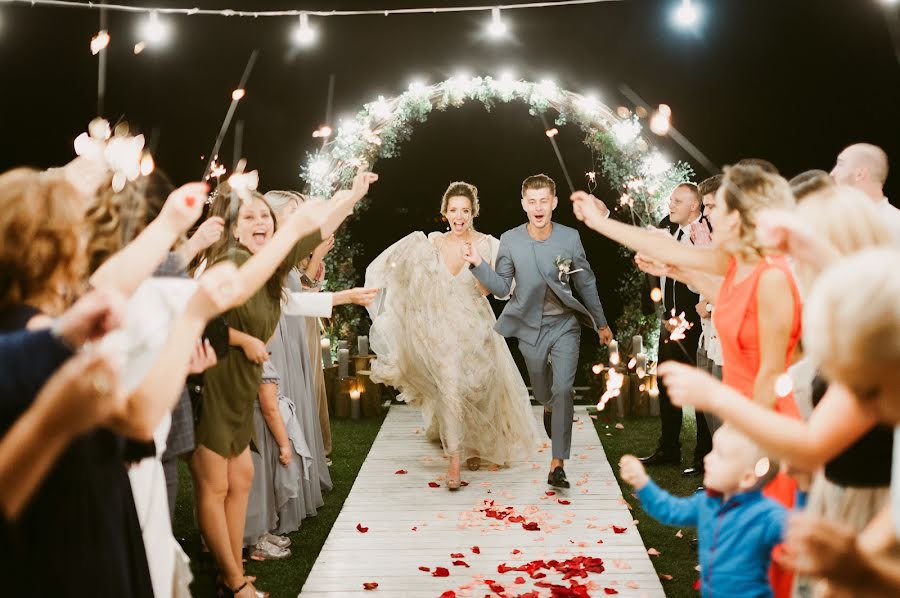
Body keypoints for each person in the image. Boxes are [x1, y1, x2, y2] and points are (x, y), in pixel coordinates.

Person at [572, 163, 802, 597]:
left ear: (743, 216)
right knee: (734, 560)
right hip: (740, 414)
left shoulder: (773, 276)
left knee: (765, 568)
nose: (713, 220)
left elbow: (773, 372)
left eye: (721, 211)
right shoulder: (736, 261)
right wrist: (604, 224)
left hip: (764, 420)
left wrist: (735, 424)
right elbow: (681, 260)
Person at [191, 173, 377, 597]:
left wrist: (354, 195)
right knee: (217, 483)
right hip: (215, 385)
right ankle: (234, 581)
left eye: (266, 217)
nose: (261, 222)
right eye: (251, 216)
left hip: (241, 385)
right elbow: (200, 319)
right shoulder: (231, 262)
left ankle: (229, 568)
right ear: (234, 226)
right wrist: (244, 339)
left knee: (239, 478)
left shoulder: (270, 263)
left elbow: (318, 230)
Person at [368, 181, 537, 489]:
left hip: (477, 328)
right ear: (444, 212)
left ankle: (475, 445)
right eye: (453, 210)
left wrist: (484, 275)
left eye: (465, 210)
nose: (459, 216)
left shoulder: (489, 244)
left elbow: (506, 287)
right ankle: (455, 461)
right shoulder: (432, 243)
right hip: (441, 329)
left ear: (473, 213)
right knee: (450, 387)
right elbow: (412, 280)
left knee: (478, 387)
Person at [463, 174, 612, 489]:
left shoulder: (569, 238)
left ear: (554, 203)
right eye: (532, 201)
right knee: (545, 392)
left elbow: (585, 283)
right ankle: (546, 404)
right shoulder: (511, 240)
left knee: (564, 390)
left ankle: (558, 464)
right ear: (523, 205)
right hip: (529, 328)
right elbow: (502, 287)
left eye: (544, 200)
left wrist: (601, 322)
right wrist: (478, 263)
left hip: (565, 326)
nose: (538, 207)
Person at [620, 426, 788, 597]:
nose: (707, 458)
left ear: (747, 477)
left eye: (719, 455)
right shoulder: (707, 503)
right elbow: (670, 509)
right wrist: (642, 483)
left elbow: (797, 535)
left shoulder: (766, 514)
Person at [634, 182, 713, 477]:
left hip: (696, 325)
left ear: (695, 206)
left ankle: (705, 456)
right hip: (669, 324)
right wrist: (664, 313)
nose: (671, 205)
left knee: (700, 390)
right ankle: (669, 448)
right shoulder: (668, 231)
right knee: (666, 386)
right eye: (670, 200)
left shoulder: (703, 237)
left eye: (678, 201)